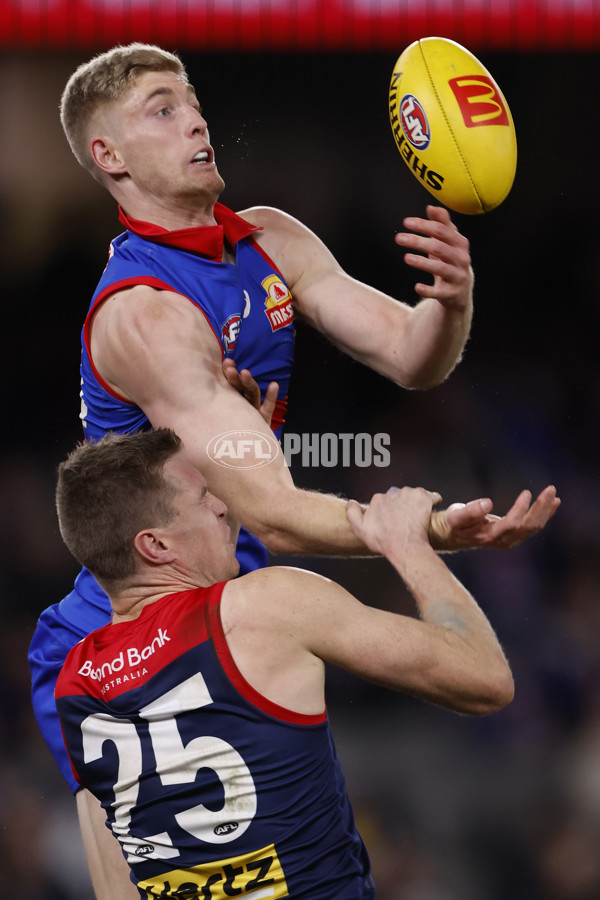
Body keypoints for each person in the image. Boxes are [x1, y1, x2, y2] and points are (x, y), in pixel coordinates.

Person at [28, 42, 559, 898]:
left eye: (192, 99)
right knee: (158, 854)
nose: (196, 118)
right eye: (161, 109)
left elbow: (411, 356)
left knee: (291, 858)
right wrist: (416, 529)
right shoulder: (148, 317)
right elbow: (269, 507)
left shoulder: (268, 237)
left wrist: (449, 303)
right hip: (130, 614)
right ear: (109, 158)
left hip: (224, 571)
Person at [54, 429, 516, 900]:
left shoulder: (74, 683)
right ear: (154, 546)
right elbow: (484, 677)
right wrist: (408, 543)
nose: (222, 506)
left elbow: (119, 882)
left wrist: (247, 435)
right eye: (203, 497)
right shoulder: (263, 607)